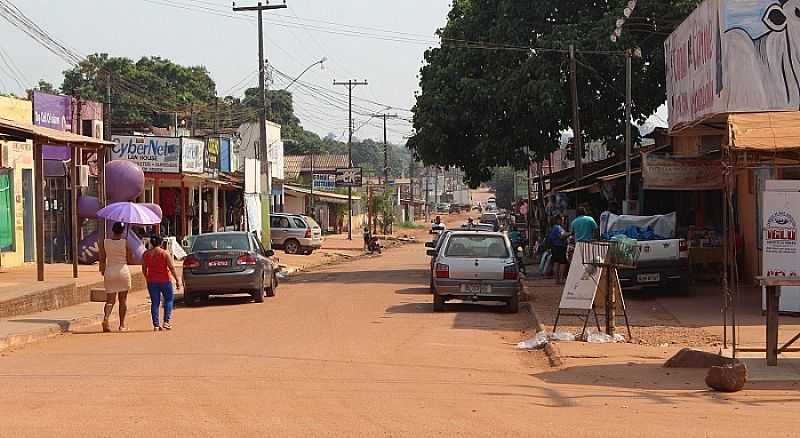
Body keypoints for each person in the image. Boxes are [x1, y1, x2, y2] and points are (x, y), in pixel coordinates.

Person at [142, 234, 182, 331]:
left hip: (152, 281)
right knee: (168, 300)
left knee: (155, 302)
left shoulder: (146, 254)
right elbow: (171, 268)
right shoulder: (165, 253)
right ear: (161, 243)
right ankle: (166, 322)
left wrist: (147, 277)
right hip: (165, 280)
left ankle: (156, 324)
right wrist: (177, 280)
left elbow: (144, 269)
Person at [99, 222, 133, 332]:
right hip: (122, 271)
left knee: (110, 300)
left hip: (110, 271)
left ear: (112, 230)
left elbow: (102, 259)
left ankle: (106, 318)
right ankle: (122, 325)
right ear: (123, 231)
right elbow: (130, 258)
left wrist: (103, 270)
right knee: (122, 300)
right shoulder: (125, 242)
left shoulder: (105, 242)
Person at [548, 216, 569, 284]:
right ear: (558, 220)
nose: (563, 221)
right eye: (562, 220)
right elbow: (561, 236)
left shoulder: (553, 228)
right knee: (563, 262)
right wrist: (570, 233)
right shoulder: (558, 227)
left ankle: (557, 279)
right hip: (559, 246)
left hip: (554, 247)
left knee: (556, 262)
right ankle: (561, 278)